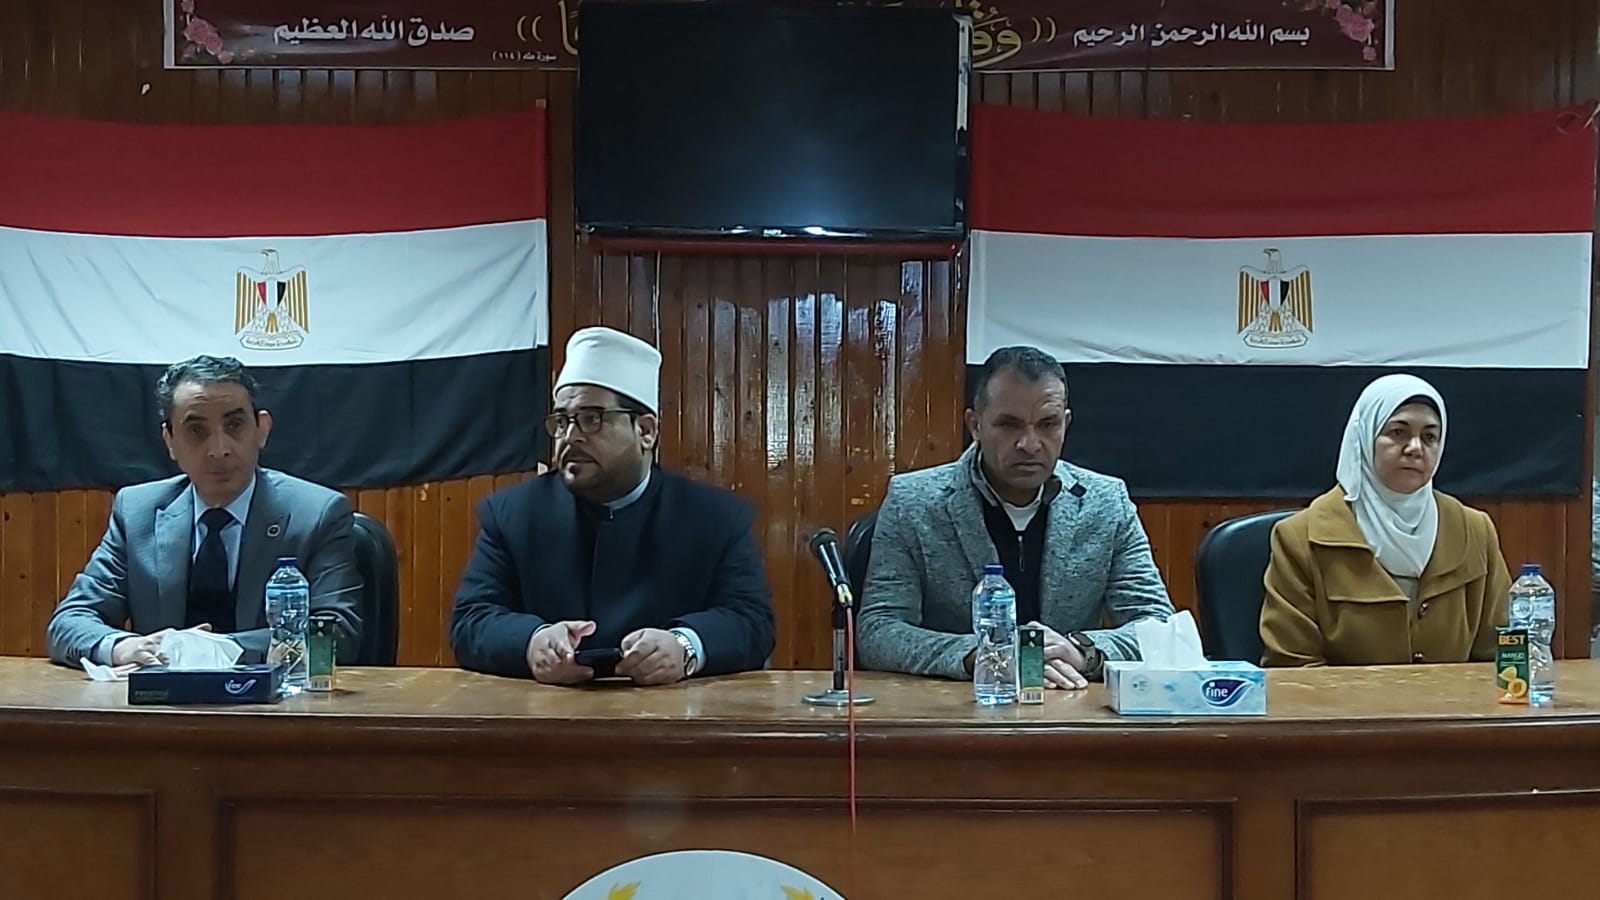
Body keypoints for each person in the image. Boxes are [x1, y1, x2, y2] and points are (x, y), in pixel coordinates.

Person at [449, 326, 775, 685]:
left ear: (646, 431)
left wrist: (685, 646)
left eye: (592, 419)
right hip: (547, 713)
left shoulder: (716, 518)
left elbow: (752, 621)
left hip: (672, 714)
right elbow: (471, 620)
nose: (571, 436)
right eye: (562, 421)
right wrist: (532, 642)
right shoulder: (513, 515)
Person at [855, 345, 1175, 688]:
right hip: (960, 705)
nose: (1030, 444)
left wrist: (1083, 651)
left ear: (1065, 424)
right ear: (975, 425)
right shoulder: (912, 501)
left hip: (1070, 703)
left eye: (1048, 424)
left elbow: (1159, 626)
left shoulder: (1107, 502)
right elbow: (879, 631)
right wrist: (980, 656)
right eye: (1009, 425)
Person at [46, 356, 361, 667]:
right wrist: (122, 648)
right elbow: (70, 621)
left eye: (234, 425)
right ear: (170, 441)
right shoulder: (137, 512)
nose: (219, 450)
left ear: (261, 430)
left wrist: (210, 651)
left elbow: (336, 634)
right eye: (197, 430)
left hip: (272, 697)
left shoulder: (317, 514)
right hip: (161, 698)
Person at [1259, 373, 1511, 666]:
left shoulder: (1474, 530)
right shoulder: (1300, 537)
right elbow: (1293, 666)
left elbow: (1502, 654)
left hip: (1459, 698)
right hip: (1344, 698)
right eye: (1398, 432)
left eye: (1430, 437)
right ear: (1364, 438)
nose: (1415, 447)